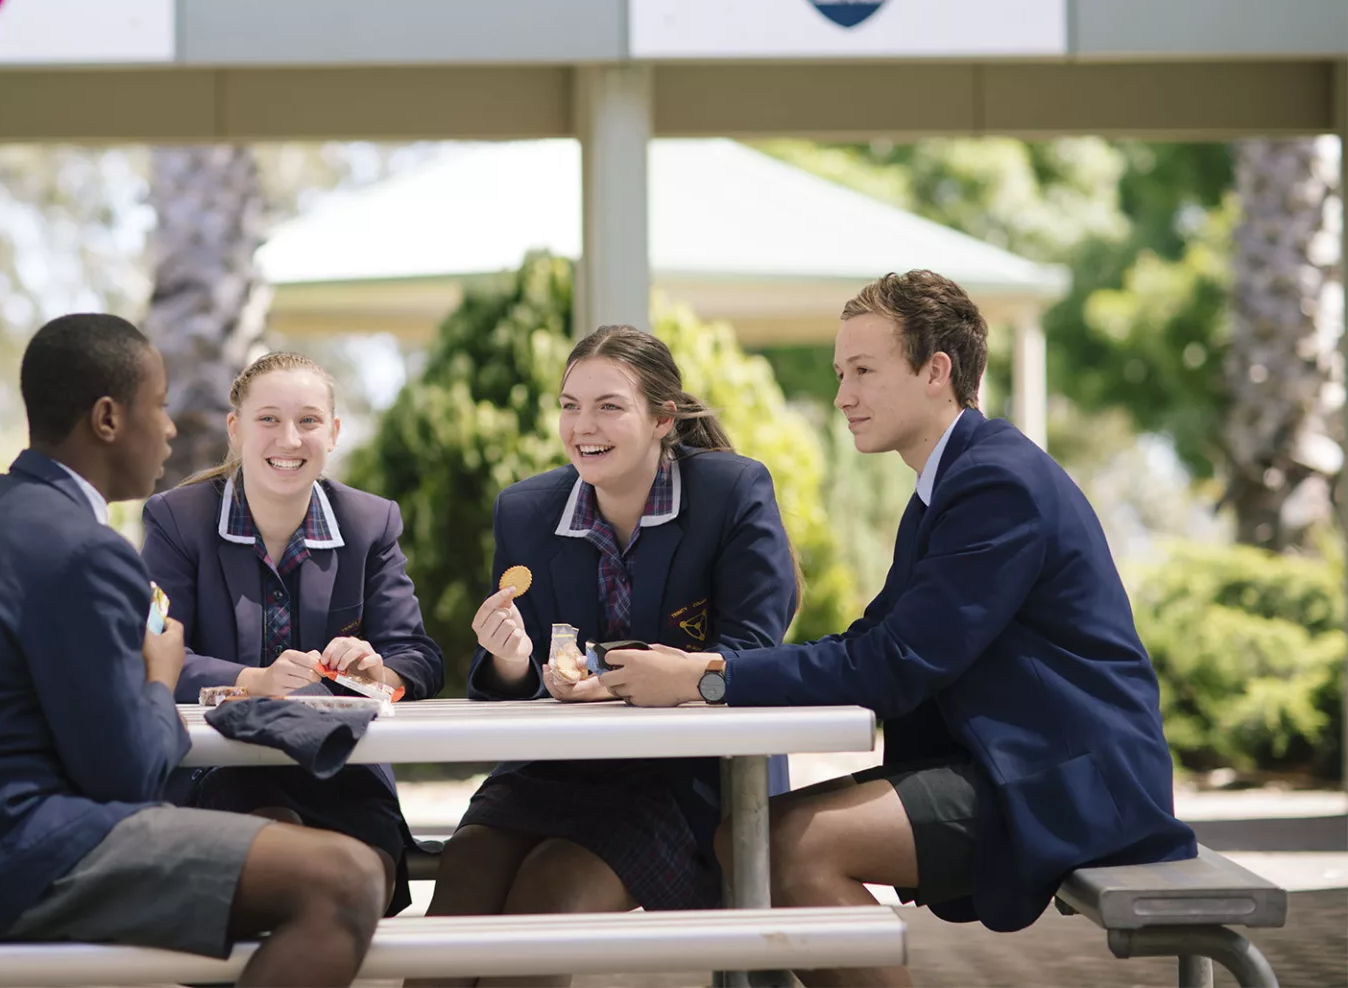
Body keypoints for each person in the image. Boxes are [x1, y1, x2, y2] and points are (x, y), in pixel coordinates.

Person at [598, 271, 1197, 988]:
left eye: (863, 371)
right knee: (748, 840)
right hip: (1011, 763)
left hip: (1073, 780)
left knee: (789, 848)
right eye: (839, 373)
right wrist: (706, 672)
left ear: (936, 372)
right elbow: (869, 642)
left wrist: (706, 677)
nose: (842, 395)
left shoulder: (995, 483)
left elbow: (896, 663)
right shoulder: (946, 486)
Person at [0, 314, 384, 987]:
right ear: (107, 418)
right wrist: (160, 679)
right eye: (157, 405)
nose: (168, 427)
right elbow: (126, 775)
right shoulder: (85, 550)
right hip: (15, 854)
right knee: (347, 879)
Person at [421, 325, 799, 968]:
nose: (581, 426)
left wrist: (635, 681)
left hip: (684, 776)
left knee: (549, 894)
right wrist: (512, 660)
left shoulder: (730, 494)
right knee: (465, 874)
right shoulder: (524, 511)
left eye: (608, 406)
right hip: (558, 766)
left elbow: (750, 651)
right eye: (569, 405)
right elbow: (521, 673)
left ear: (662, 418)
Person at [141, 351, 445, 916]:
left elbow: (419, 658)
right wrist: (251, 679)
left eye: (308, 421)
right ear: (236, 430)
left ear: (332, 433)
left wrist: (379, 670)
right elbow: (152, 655)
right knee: (293, 876)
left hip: (344, 770)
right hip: (223, 768)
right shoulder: (176, 520)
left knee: (362, 887)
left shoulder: (370, 523)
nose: (290, 438)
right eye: (268, 419)